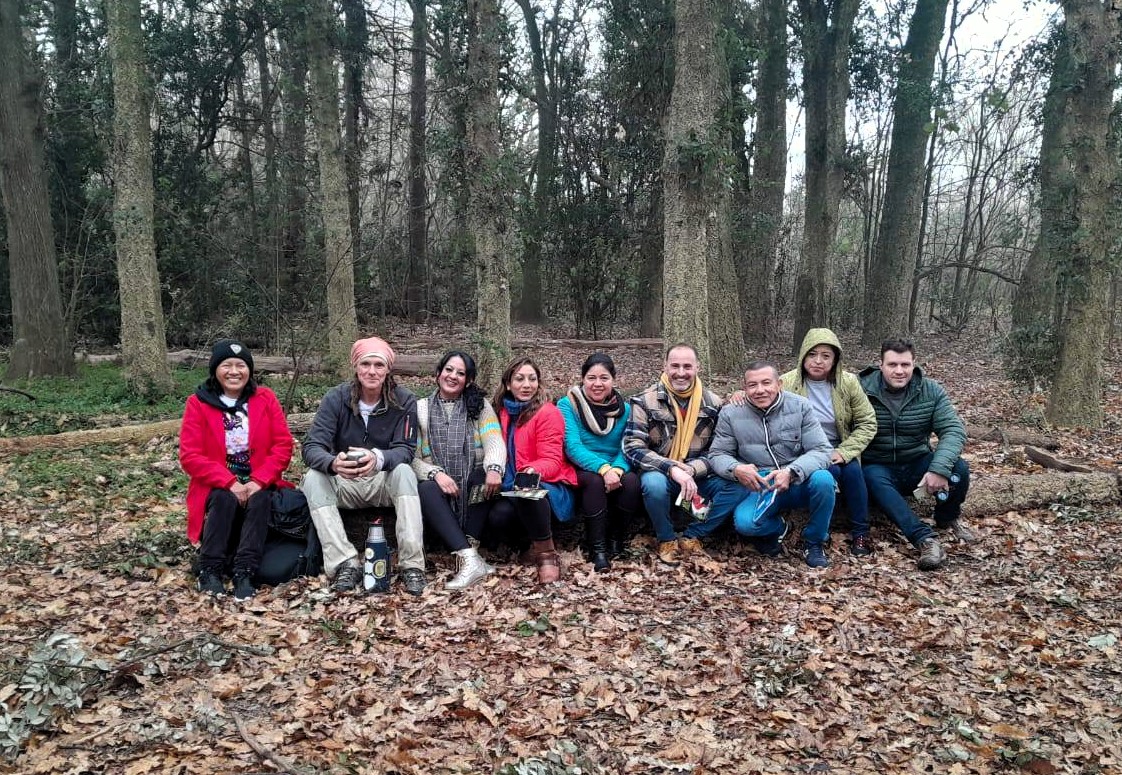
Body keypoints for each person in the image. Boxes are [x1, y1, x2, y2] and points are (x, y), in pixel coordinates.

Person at [301, 336, 427, 595]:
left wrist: (378, 458)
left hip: (382, 480)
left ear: (388, 369)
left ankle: (412, 565)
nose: (372, 371)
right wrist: (333, 463)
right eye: (365, 364)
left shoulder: (404, 400)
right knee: (313, 477)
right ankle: (345, 563)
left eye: (379, 365)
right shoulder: (336, 398)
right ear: (356, 367)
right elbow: (312, 446)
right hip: (344, 481)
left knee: (404, 472)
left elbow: (405, 449)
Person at [179, 339, 294, 600]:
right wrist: (229, 482)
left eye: (240, 365)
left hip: (258, 480)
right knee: (224, 499)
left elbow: (282, 445)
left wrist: (258, 480)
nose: (234, 371)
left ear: (249, 370)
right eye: (226, 365)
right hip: (216, 483)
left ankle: (245, 571)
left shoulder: (265, 398)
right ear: (215, 370)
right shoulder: (198, 403)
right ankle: (210, 569)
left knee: (260, 499)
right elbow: (190, 455)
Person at [622, 343, 747, 565]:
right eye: (675, 366)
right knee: (653, 485)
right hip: (659, 472)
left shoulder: (713, 404)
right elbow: (633, 447)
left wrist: (691, 469)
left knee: (737, 486)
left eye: (687, 366)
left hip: (697, 474)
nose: (681, 373)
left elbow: (719, 451)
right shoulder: (644, 400)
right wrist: (672, 468)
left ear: (698, 367)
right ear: (665, 366)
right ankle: (666, 539)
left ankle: (694, 534)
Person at [859, 339, 973, 571]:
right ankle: (925, 539)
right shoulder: (860, 388)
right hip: (877, 464)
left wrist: (938, 469)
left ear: (914, 364)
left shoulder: (930, 390)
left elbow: (953, 430)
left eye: (905, 365)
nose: (899, 371)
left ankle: (947, 517)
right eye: (892, 364)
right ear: (880, 365)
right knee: (872, 478)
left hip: (916, 461)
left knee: (958, 469)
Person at [709, 361, 835, 567]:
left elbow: (822, 450)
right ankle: (779, 528)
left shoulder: (800, 406)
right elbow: (718, 454)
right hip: (760, 482)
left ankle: (814, 542)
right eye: (752, 385)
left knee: (824, 479)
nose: (760, 390)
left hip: (797, 478)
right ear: (744, 387)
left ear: (779, 384)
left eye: (766, 383)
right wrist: (736, 468)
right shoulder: (731, 413)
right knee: (745, 524)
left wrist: (792, 471)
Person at [781, 328, 878, 556]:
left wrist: (845, 451)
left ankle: (861, 533)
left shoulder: (848, 382)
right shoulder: (786, 382)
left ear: (835, 360)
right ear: (803, 355)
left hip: (838, 444)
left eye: (826, 356)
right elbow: (761, 396)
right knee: (828, 473)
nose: (818, 361)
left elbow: (868, 422)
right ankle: (818, 534)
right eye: (812, 354)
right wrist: (739, 395)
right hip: (804, 449)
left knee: (852, 471)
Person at [413, 351, 504, 590]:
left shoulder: (479, 406)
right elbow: (411, 457)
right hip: (441, 488)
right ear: (438, 373)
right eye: (449, 370)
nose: (453, 376)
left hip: (473, 489)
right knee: (426, 488)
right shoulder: (420, 409)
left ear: (469, 380)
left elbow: (494, 440)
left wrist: (494, 468)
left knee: (482, 476)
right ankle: (469, 559)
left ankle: (470, 549)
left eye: (460, 373)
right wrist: (435, 473)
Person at [492, 356, 578, 583]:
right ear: (508, 384)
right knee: (498, 516)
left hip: (549, 484)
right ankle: (526, 547)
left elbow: (552, 459)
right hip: (510, 484)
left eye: (532, 379)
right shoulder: (502, 412)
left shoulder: (548, 412)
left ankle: (546, 555)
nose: (526, 385)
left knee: (528, 494)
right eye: (519, 379)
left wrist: (532, 469)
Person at [557, 353, 641, 571]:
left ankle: (616, 540)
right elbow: (572, 447)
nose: (597, 384)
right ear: (582, 379)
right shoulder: (567, 405)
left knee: (632, 482)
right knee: (594, 482)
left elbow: (627, 445)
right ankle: (597, 549)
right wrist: (603, 469)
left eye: (604, 378)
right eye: (591, 378)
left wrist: (618, 469)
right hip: (580, 466)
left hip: (615, 464)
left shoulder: (625, 409)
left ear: (613, 380)